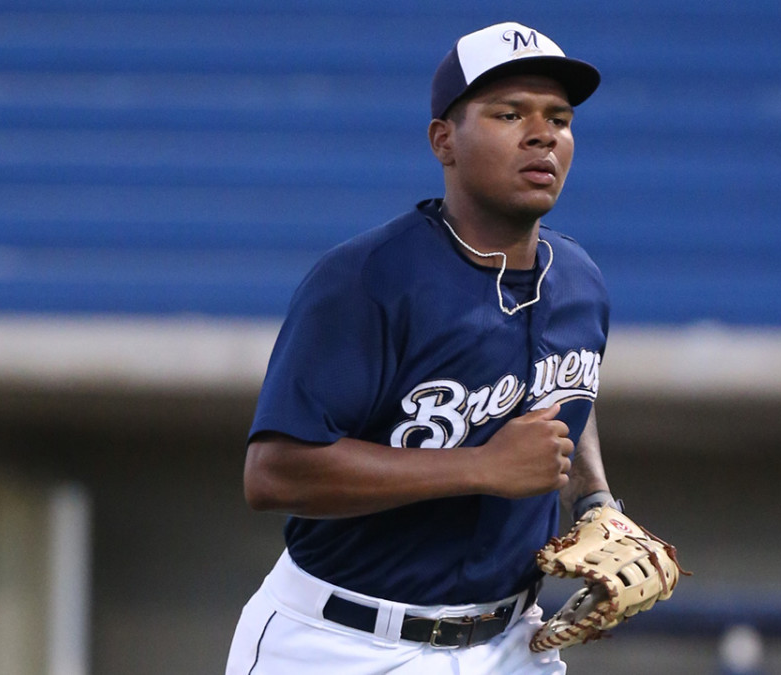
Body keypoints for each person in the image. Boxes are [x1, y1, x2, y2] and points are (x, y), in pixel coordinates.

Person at [226, 21, 617, 675]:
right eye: (508, 113)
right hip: (341, 641)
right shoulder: (369, 278)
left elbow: (566, 389)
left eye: (559, 117)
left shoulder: (579, 281)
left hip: (512, 642)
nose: (542, 134)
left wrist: (596, 500)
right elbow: (273, 473)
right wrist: (480, 467)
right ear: (445, 141)